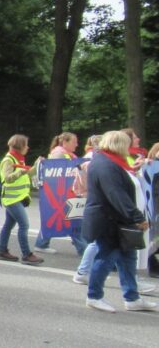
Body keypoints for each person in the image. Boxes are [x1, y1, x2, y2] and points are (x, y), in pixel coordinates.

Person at [83, 131, 157, 312]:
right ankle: (94, 296)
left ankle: (132, 297)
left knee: (127, 258)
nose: (129, 149)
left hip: (116, 219)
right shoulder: (106, 165)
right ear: (119, 145)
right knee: (106, 257)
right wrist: (137, 217)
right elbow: (116, 195)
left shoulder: (108, 161)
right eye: (126, 144)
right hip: (110, 220)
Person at [35, 132, 87, 255]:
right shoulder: (59, 155)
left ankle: (41, 243)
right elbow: (59, 175)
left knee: (62, 218)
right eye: (74, 142)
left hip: (65, 193)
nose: (77, 144)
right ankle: (83, 249)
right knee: (73, 219)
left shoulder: (65, 154)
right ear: (65, 142)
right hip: (63, 193)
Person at [0, 134, 44, 265]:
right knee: (24, 225)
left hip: (15, 198)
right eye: (26, 145)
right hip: (12, 199)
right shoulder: (9, 160)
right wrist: (20, 172)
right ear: (20, 146)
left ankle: (2, 251)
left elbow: (27, 173)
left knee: (8, 225)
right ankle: (26, 254)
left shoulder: (18, 159)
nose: (28, 147)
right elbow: (7, 178)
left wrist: (36, 165)